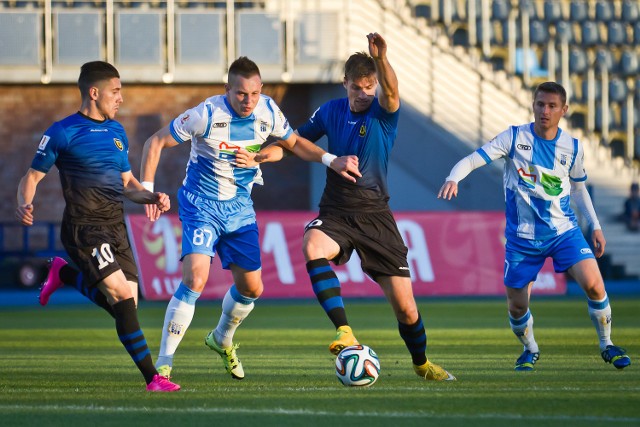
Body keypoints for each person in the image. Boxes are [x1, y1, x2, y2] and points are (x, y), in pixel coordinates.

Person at [244, 33, 455, 381]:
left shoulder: (384, 113)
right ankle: (344, 331)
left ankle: (422, 365)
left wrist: (383, 59)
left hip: (375, 216)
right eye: (357, 87)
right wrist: (262, 156)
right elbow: (293, 143)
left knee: (406, 309)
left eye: (369, 86)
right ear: (345, 83)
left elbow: (391, 92)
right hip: (336, 213)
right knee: (312, 245)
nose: (363, 94)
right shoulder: (329, 111)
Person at [140, 56, 359, 381]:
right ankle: (163, 364)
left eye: (254, 93)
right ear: (228, 89)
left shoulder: (268, 111)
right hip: (201, 204)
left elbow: (293, 143)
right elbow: (155, 141)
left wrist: (331, 160)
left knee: (252, 288)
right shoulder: (207, 114)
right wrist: (147, 189)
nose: (248, 100)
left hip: (240, 209)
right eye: (242, 93)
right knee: (195, 279)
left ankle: (221, 338)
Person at [438, 81, 631, 371]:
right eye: (540, 104)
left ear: (563, 110)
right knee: (517, 307)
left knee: (594, 284)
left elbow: (578, 190)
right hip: (522, 238)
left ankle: (607, 344)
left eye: (552, 106)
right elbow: (474, 159)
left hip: (563, 231)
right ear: (533, 105)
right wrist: (454, 177)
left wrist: (596, 226)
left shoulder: (573, 148)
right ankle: (530, 348)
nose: (545, 110)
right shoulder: (514, 138)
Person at [15, 61, 180, 391]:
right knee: (120, 297)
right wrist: (24, 201)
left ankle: (63, 274)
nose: (121, 98)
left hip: (116, 227)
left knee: (127, 305)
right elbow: (31, 176)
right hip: (84, 228)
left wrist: (151, 196)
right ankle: (153, 378)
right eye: (115, 91)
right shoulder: (63, 132)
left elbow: (127, 183)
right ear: (94, 92)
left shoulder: (117, 132)